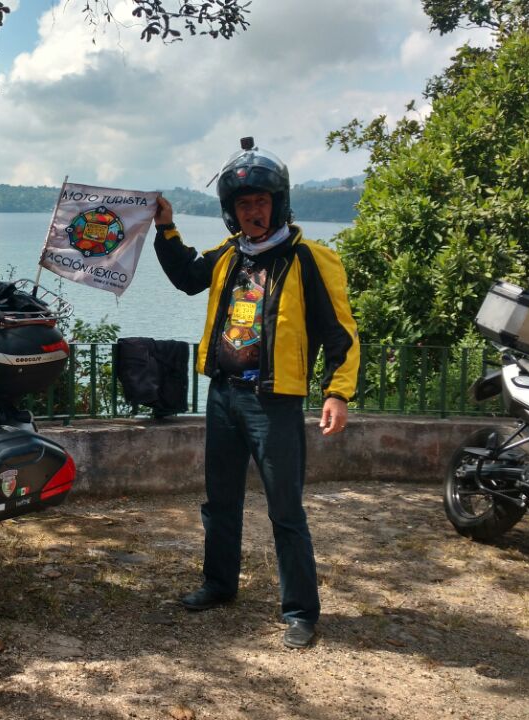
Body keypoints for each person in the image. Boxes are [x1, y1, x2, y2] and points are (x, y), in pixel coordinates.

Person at [152, 138, 359, 649]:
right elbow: (185, 277)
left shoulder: (311, 260)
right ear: (232, 212)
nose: (254, 212)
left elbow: (341, 334)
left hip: (275, 403)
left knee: (285, 508)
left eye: (262, 202)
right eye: (244, 204)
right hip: (223, 396)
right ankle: (219, 584)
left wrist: (337, 392)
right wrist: (165, 226)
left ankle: (299, 611)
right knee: (219, 500)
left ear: (279, 203)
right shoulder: (228, 255)